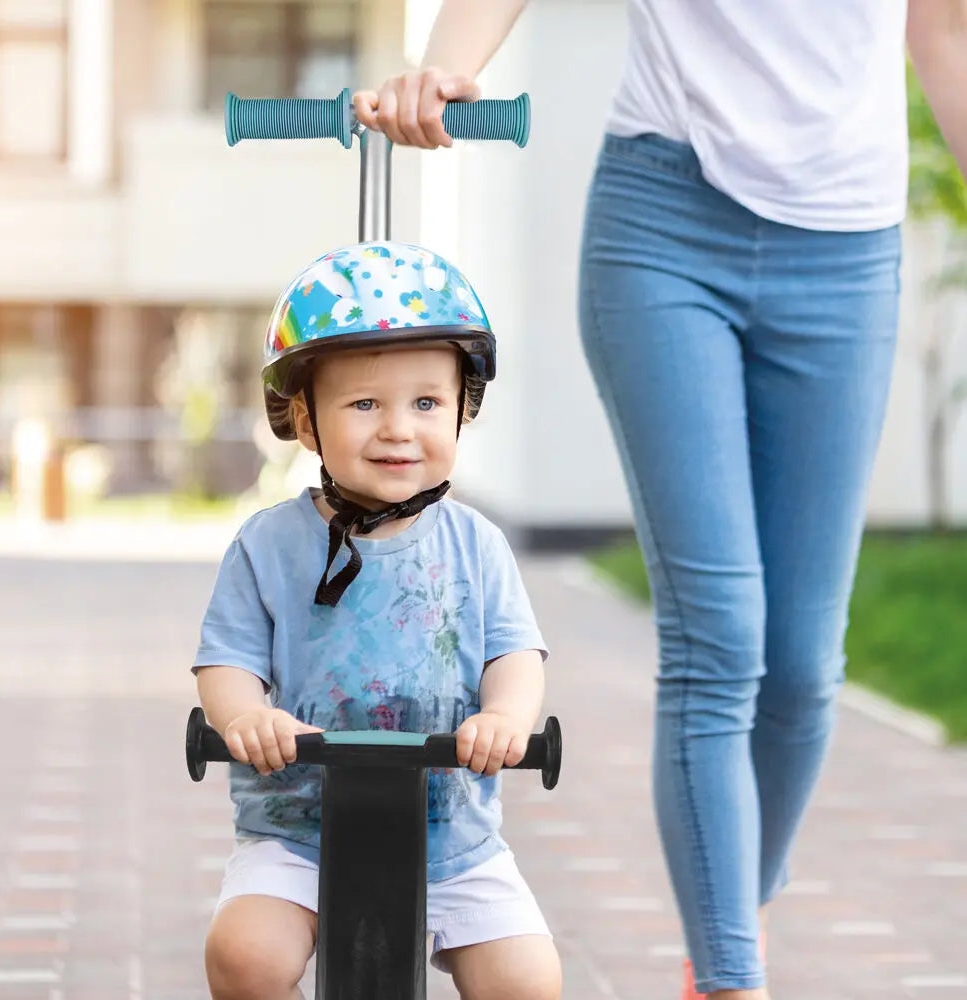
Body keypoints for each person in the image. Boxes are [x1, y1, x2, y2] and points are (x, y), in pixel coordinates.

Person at [352, 2, 967, 999]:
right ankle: (731, 976)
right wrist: (444, 65)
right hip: (666, 225)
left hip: (847, 249)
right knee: (720, 638)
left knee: (805, 668)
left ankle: (731, 919)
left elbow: (944, 27)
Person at [192, 240, 561, 1000]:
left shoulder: (478, 544)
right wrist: (246, 716)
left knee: (527, 982)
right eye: (364, 404)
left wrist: (505, 718)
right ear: (304, 418)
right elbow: (225, 660)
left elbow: (515, 653)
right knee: (245, 957)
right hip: (298, 827)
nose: (398, 429)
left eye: (426, 403)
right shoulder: (267, 546)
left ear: (463, 408)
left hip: (451, 835)